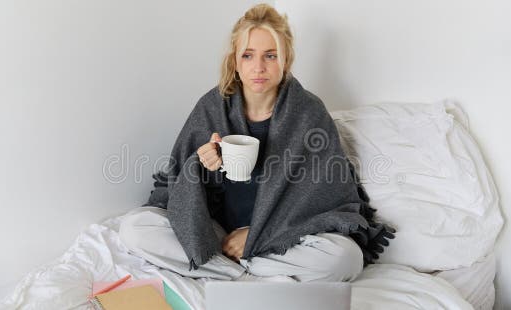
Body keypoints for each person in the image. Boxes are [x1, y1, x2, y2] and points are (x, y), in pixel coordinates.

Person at [121, 3, 394, 283]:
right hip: (219, 234)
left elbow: (323, 197)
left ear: (285, 60)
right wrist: (202, 166)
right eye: (248, 55)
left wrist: (255, 235)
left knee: (346, 258)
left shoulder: (309, 112)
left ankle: (227, 268)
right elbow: (179, 186)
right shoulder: (212, 108)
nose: (259, 67)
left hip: (281, 238)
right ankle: (242, 273)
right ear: (235, 63)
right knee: (135, 227)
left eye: (270, 56)